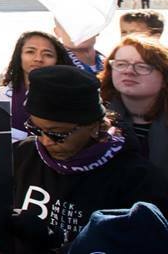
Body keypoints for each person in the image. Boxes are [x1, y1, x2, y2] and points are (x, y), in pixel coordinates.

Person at [12, 66, 168, 252]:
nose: (45, 141)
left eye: (58, 134)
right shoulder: (21, 154)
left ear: (94, 126)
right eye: (35, 129)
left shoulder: (138, 180)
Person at [99, 36, 168, 178]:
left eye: (142, 66)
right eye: (121, 64)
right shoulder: (94, 117)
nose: (128, 71)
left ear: (164, 78)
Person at [0, 31, 74, 139]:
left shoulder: (71, 101)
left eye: (48, 54)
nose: (38, 59)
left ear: (58, 61)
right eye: (30, 52)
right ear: (19, 56)